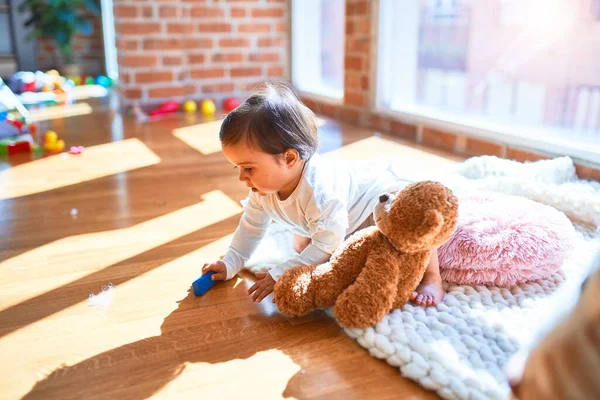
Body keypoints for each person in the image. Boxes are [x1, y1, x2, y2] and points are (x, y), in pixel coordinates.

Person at [202, 82, 445, 306]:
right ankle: (323, 237)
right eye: (238, 168)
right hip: (342, 223)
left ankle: (433, 278)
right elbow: (251, 227)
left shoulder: (320, 192)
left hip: (376, 204)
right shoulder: (262, 189)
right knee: (306, 244)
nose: (242, 178)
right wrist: (230, 262)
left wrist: (281, 273)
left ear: (289, 158)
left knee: (411, 221)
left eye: (249, 168)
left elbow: (328, 244)